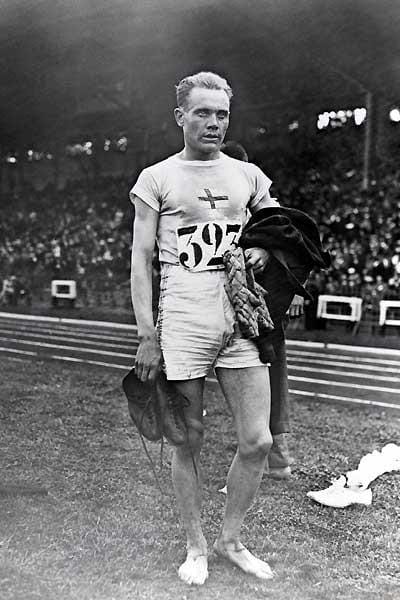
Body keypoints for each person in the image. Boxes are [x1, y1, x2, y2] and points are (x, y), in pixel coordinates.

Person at [129, 72, 279, 586]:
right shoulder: (156, 178)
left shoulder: (248, 175)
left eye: (221, 114)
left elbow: (282, 230)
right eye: (202, 113)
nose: (214, 123)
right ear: (181, 117)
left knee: (257, 440)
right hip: (184, 316)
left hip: (240, 316)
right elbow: (141, 259)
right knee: (186, 439)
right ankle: (195, 545)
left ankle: (230, 540)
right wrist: (146, 335)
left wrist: (265, 250)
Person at [221, 140, 303, 479]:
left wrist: (294, 289)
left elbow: (296, 241)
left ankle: (277, 456)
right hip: (222, 298)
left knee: (268, 371)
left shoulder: (261, 201)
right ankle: (266, 451)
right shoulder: (213, 200)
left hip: (262, 303)